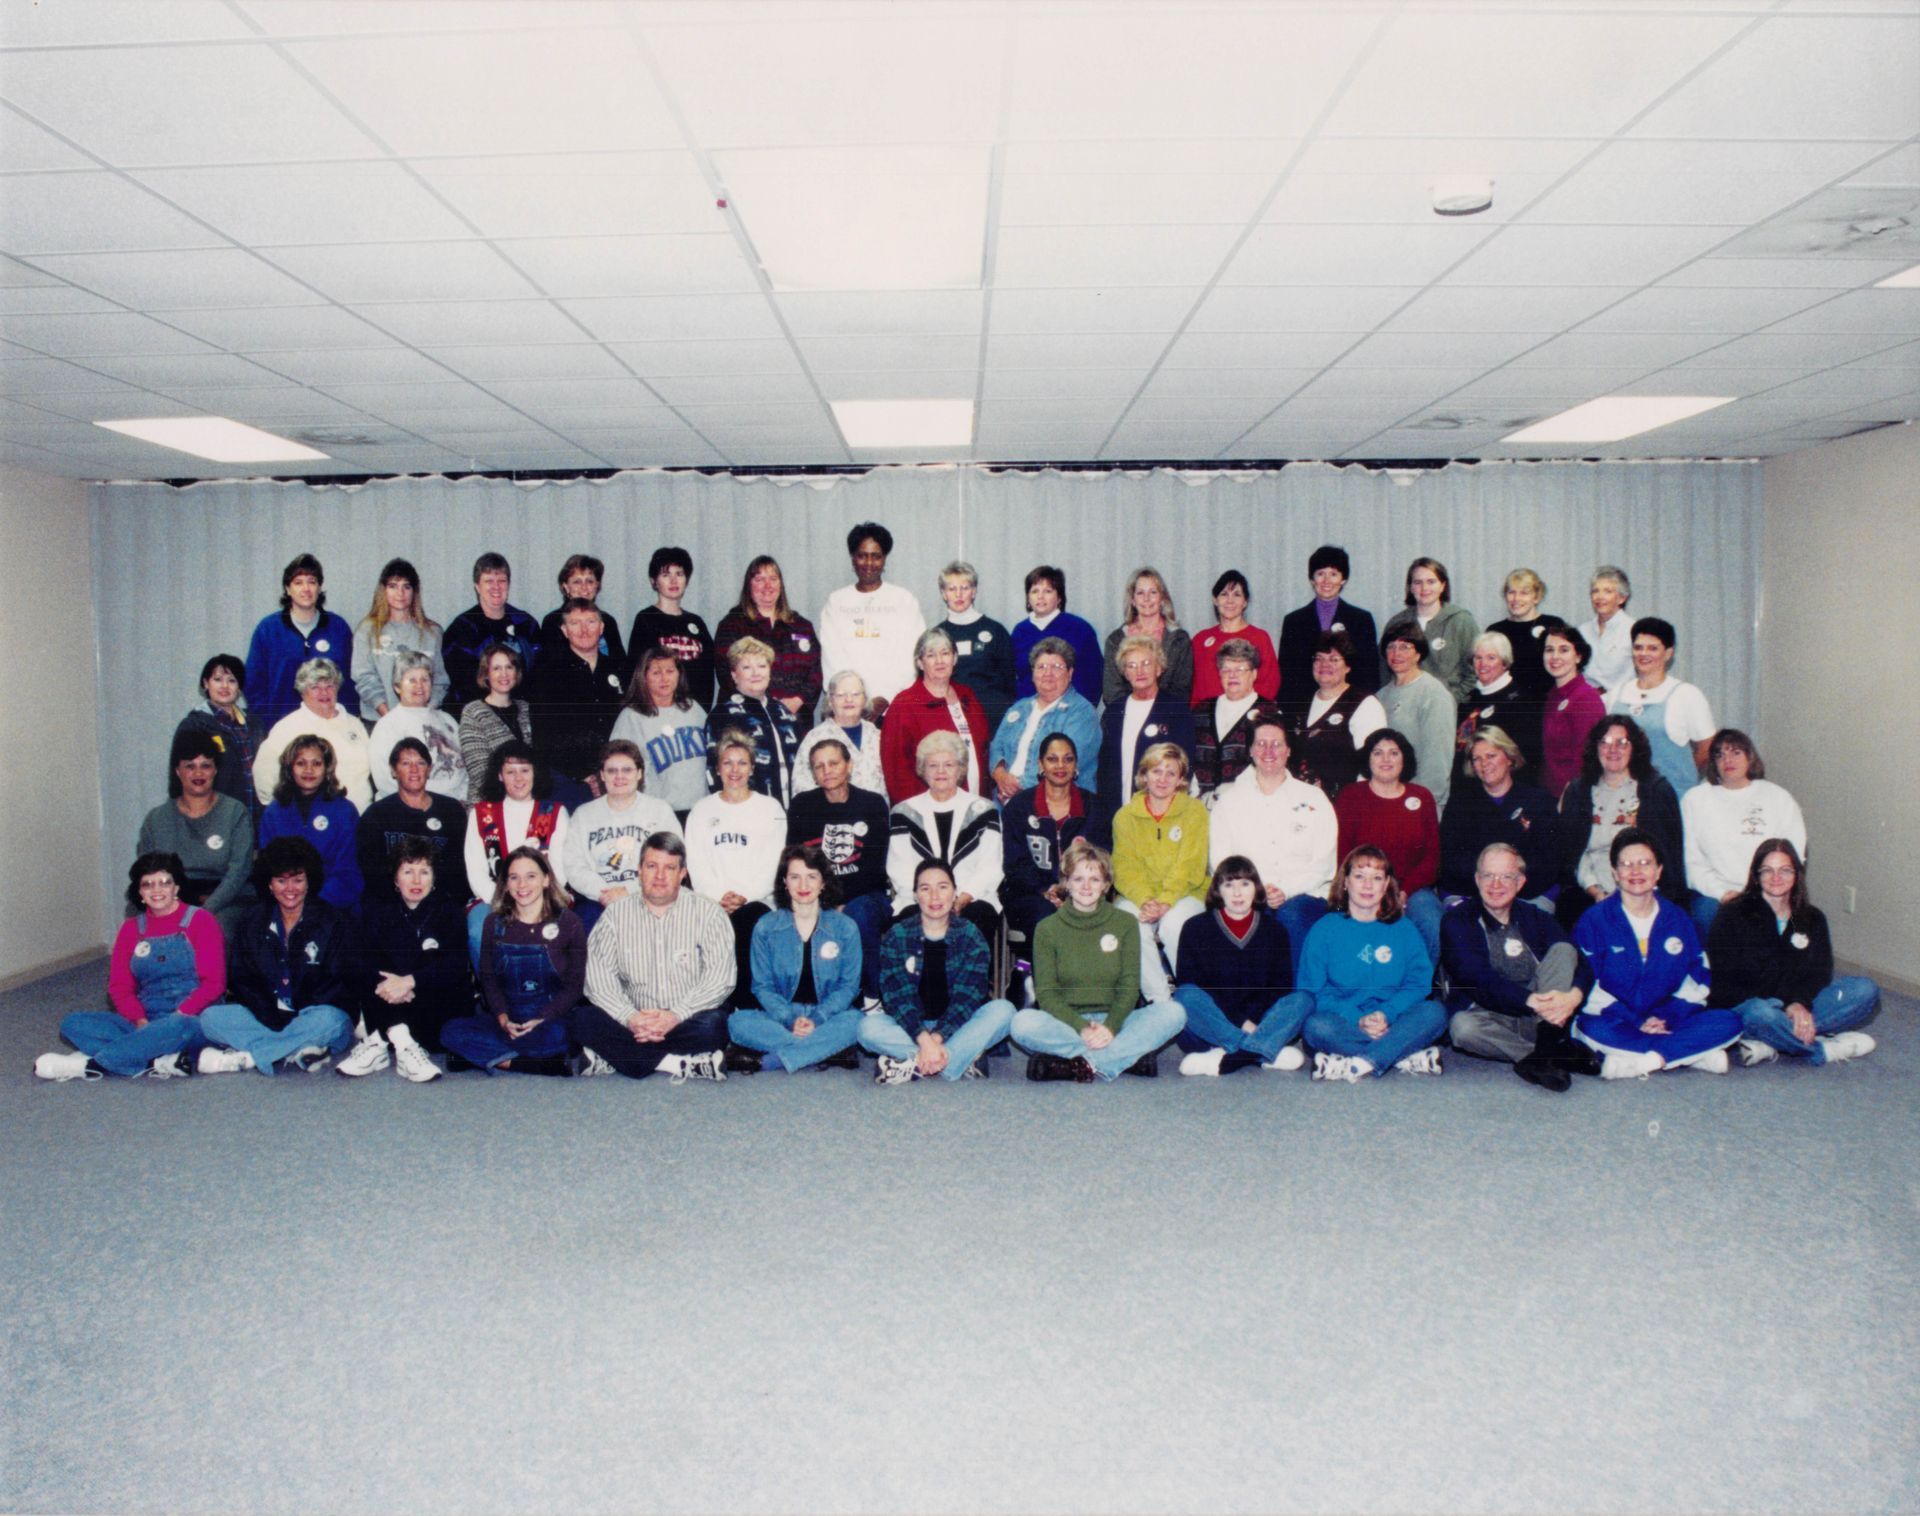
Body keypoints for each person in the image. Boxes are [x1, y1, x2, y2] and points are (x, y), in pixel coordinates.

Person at [35, 852, 224, 1082]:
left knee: (178, 1027)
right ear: (140, 892)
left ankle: (92, 1065)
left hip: (190, 1017)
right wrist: (140, 1021)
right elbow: (119, 987)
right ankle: (159, 1061)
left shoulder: (201, 920)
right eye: (148, 884)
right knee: (73, 1024)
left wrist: (178, 1014)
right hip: (144, 1019)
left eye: (165, 882)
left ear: (176, 888)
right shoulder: (131, 929)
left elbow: (214, 983)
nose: (157, 890)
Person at [1570, 828, 1741, 1079]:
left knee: (1729, 1021)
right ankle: (1686, 1055)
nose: (1636, 871)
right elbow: (1587, 986)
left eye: (1645, 863)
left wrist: (1665, 1018)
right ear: (1615, 874)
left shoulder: (1679, 920)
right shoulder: (1593, 921)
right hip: (1614, 1021)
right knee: (1588, 1029)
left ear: (1658, 871)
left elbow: (1697, 980)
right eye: (1626, 864)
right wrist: (1635, 1020)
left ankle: (1643, 1061)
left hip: (1668, 1021)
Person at [1011, 839, 1186, 1082]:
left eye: (1094, 879)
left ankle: (1076, 1064)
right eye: (1078, 878)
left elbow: (1129, 987)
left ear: (1105, 885)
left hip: (1118, 1021)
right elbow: (1048, 994)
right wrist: (1082, 1027)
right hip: (1066, 1024)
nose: (1086, 886)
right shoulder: (1047, 929)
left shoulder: (1125, 923)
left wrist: (1111, 1027)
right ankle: (1124, 1058)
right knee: (1021, 1023)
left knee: (1174, 1012)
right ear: (1066, 883)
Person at [569, 831, 733, 1083]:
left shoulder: (709, 913)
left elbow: (720, 979)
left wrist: (675, 1015)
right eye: (652, 866)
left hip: (687, 1017)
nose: (659, 876)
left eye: (669, 868)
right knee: (583, 1019)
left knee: (714, 1025)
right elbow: (598, 978)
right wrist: (629, 1017)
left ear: (682, 874)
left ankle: (618, 1058)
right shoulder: (615, 915)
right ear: (639, 870)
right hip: (632, 1017)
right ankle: (678, 1063)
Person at [1441, 842, 1599, 1093]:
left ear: (1520, 882)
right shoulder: (1458, 920)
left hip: (1537, 1019)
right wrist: (1532, 1000)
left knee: (1563, 949)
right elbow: (1475, 978)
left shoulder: (1535, 916)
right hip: (1490, 1017)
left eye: (1506, 877)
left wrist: (1572, 997)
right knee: (1462, 1028)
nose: (1496, 885)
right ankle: (1548, 1054)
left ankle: (1545, 1048)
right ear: (1477, 879)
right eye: (1488, 876)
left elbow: (1581, 962)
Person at [1708, 840, 1879, 1070]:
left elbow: (1819, 975)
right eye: (1767, 870)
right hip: (1749, 1006)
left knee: (1864, 990)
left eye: (1785, 870)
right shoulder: (1733, 913)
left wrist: (1799, 1003)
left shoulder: (1813, 918)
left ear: (1797, 874)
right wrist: (1788, 1005)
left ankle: (1772, 1043)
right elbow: (1726, 979)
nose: (1776, 877)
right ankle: (1821, 1049)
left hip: (1795, 1006)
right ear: (1756, 876)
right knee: (1761, 1013)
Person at [196, 836, 359, 1077]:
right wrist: (271, 1016)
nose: (290, 889)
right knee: (211, 1018)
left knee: (331, 1022)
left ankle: (252, 1056)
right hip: (267, 1017)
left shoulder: (333, 921)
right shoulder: (252, 921)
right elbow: (242, 981)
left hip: (315, 1014)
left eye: (298, 880)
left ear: (309, 881)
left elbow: (340, 984)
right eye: (281, 881)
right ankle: (293, 1048)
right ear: (269, 884)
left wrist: (297, 1016)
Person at [1298, 845, 1448, 1082]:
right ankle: (1400, 1055)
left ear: (1387, 884)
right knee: (1316, 1027)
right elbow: (1312, 990)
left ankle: (1358, 1062)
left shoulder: (1404, 928)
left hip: (1394, 1018)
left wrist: (1387, 1014)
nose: (1368, 885)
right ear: (1345, 882)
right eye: (1359, 876)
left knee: (1435, 1012)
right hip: (1346, 1022)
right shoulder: (1324, 929)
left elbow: (1418, 985)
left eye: (1376, 878)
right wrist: (1356, 1018)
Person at [862, 858, 1016, 1083]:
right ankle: (955, 1060)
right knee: (867, 1027)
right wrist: (924, 1039)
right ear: (915, 895)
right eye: (925, 889)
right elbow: (897, 999)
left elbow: (967, 1000)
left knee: (1005, 1011)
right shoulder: (898, 935)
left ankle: (915, 1064)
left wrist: (938, 1037)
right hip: (911, 1028)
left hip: (957, 1027)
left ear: (955, 892)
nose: (935, 897)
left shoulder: (970, 936)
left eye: (943, 887)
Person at [441, 846, 586, 1076]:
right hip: (508, 1018)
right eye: (514, 877)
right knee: (450, 1031)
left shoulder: (570, 922)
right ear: (505, 884)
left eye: (531, 876)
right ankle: (530, 1064)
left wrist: (543, 1017)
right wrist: (502, 1018)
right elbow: (488, 979)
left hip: (550, 1017)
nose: (522, 885)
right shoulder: (493, 923)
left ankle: (479, 1058)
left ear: (546, 880)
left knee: (566, 1034)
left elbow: (575, 985)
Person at [1205, 715, 1337, 969]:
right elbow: (1220, 861)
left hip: (1305, 895)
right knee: (1250, 918)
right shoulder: (1230, 801)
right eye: (1261, 744)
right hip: (1246, 895)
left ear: (1288, 751)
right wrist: (1257, 889)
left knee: (1291, 915)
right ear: (1251, 751)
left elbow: (1325, 863)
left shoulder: (1314, 798)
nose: (1269, 751)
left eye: (1276, 744)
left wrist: (1286, 889)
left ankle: (1298, 998)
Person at [727, 845, 865, 1074]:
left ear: (823, 883)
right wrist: (789, 1019)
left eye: (812, 877)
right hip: (780, 1016)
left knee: (857, 1022)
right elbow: (762, 987)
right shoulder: (766, 927)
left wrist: (818, 1018)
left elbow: (849, 987)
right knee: (737, 1022)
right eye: (795, 877)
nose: (803, 886)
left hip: (828, 1014)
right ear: (784, 882)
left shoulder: (845, 927)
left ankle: (771, 1061)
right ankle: (826, 1051)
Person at [341, 837, 469, 1083]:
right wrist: (390, 985)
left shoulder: (449, 911)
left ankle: (380, 1041)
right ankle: (403, 1043)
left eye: (424, 871)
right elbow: (356, 963)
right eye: (408, 871)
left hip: (432, 1001)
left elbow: (455, 966)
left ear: (435, 878)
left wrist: (410, 981)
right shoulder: (377, 911)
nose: (416, 880)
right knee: (370, 978)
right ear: (395, 878)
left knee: (445, 1000)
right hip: (389, 998)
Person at [1171, 855, 1308, 1077]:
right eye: (1229, 885)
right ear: (1217, 890)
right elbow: (1194, 985)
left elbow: (1280, 990)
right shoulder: (1195, 928)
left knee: (1303, 1000)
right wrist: (1243, 1025)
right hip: (1214, 1025)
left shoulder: (1275, 931)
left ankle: (1229, 1056)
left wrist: (1256, 1023)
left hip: (1261, 1022)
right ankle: (1261, 1051)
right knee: (1185, 995)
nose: (1237, 893)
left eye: (1245, 884)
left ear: (1256, 889)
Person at [785, 737, 892, 1004]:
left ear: (849, 765)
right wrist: (828, 901)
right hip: (817, 895)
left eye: (833, 763)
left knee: (859, 914)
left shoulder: (873, 804)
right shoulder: (802, 806)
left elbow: (874, 868)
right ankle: (813, 1001)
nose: (827, 771)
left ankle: (871, 997)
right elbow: (795, 861)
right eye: (819, 766)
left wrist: (839, 902)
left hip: (867, 895)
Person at [685, 729, 787, 1008]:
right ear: (717, 768)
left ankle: (746, 1007)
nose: (735, 770)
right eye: (727, 762)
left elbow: (773, 862)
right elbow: (696, 862)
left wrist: (742, 896)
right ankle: (714, 1006)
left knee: (749, 920)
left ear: (752, 767)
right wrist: (719, 897)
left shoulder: (770, 808)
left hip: (757, 900)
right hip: (711, 900)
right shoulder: (701, 810)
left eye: (742, 762)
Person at [1555, 716, 1685, 931]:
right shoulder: (1579, 792)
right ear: (1595, 748)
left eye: (1621, 742)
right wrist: (1597, 892)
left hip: (1645, 893)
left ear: (1634, 747)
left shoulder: (1656, 791)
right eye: (1604, 742)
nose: (1612, 749)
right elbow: (1573, 855)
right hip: (1590, 893)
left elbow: (1668, 861)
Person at [887, 731, 1004, 952]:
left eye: (949, 765)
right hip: (917, 900)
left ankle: (968, 985)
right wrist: (931, 899)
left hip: (972, 898)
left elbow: (990, 866)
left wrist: (960, 898)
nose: (941, 771)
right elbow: (899, 868)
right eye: (933, 765)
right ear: (923, 769)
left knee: (978, 919)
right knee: (909, 923)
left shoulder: (984, 810)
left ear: (960, 769)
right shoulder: (903, 812)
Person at [1683, 730, 1808, 936]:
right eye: (1720, 755)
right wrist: (1723, 893)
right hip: (1716, 894)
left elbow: (1793, 855)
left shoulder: (1777, 797)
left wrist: (1763, 892)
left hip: (1769, 889)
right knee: (1705, 917)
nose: (1727, 760)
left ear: (1750, 757)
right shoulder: (1695, 800)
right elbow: (1692, 862)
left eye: (1735, 753)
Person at [1111, 742, 1208, 1003]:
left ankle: (1197, 1001)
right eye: (1156, 771)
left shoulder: (1195, 811)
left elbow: (1191, 865)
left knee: (1175, 925)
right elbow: (1124, 867)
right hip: (1140, 897)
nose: (1162, 779)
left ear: (1180, 780)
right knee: (1128, 923)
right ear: (1144, 775)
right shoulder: (1125, 816)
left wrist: (1165, 901)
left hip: (1187, 892)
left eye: (1171, 773)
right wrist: (1145, 900)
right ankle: (1161, 1003)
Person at [1334, 729, 1442, 963]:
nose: (1386, 759)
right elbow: (1344, 855)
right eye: (1378, 753)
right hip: (1363, 885)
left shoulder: (1422, 797)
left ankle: (1418, 987)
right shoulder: (1350, 796)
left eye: (1394, 753)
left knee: (1432, 921)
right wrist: (1369, 889)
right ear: (1368, 759)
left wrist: (1404, 892)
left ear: (1405, 759)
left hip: (1412, 889)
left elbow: (1431, 858)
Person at [139, 729, 254, 942]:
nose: (198, 774)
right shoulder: (156, 819)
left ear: (215, 770)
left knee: (213, 928)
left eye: (205, 766)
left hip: (223, 900)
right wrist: (172, 906)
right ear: (177, 771)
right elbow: (145, 872)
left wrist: (204, 910)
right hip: (170, 897)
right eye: (190, 766)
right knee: (136, 925)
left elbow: (239, 872)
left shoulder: (235, 813)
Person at [462, 741, 570, 966]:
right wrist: (507, 904)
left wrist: (533, 902)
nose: (518, 778)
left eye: (524, 770)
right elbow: (476, 872)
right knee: (478, 931)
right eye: (510, 772)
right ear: (500, 776)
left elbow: (560, 871)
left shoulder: (555, 813)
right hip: (494, 898)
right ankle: (492, 997)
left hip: (544, 897)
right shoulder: (481, 814)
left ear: (534, 772)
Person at [559, 739, 682, 934]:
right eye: (612, 771)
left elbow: (672, 861)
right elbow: (573, 866)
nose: (619, 777)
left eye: (627, 770)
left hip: (648, 895)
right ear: (602, 775)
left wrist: (629, 890)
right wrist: (604, 892)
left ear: (640, 773)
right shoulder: (583, 814)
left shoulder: (659, 811)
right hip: (598, 900)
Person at [1437, 727, 1561, 902]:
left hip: (1527, 893)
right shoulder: (1460, 804)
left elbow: (1548, 861)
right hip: (1472, 894)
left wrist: (1508, 888)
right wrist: (1491, 890)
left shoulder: (1539, 801)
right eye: (1477, 759)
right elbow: (1451, 862)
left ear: (1509, 758)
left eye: (1491, 756)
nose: (1484, 763)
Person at [1093, 635, 1194, 842]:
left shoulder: (1177, 710)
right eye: (1132, 665)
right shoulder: (1113, 712)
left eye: (1146, 663)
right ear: (1124, 673)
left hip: (1162, 815)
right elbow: (1104, 769)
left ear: (1159, 668)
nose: (1139, 671)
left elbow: (1185, 764)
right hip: (1118, 812)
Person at [817, 522, 926, 716]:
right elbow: (832, 658)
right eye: (862, 556)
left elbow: (912, 656)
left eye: (876, 556)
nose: (869, 563)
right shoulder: (836, 602)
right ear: (852, 558)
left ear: (884, 559)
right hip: (847, 708)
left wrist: (885, 698)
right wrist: (854, 700)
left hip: (896, 707)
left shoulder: (904, 600)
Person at [526, 597, 631, 790]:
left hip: (617, 777)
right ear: (564, 631)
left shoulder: (619, 670)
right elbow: (543, 736)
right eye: (575, 623)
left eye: (591, 622)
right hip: (569, 779)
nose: (584, 630)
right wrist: (582, 775)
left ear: (601, 628)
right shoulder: (547, 673)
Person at [245, 553, 358, 729]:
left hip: (331, 726)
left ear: (319, 587)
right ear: (288, 589)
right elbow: (253, 684)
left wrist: (345, 721)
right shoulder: (268, 630)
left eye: (312, 581)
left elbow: (351, 681)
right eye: (298, 582)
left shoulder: (338, 628)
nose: (306, 588)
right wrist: (269, 722)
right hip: (283, 727)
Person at [1000, 732, 1091, 952]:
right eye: (1052, 759)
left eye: (1068, 759)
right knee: (1046, 917)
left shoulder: (1094, 808)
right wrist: (1046, 889)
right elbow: (1014, 863)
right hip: (1028, 895)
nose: (1061, 765)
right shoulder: (1019, 807)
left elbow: (1101, 857)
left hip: (1083, 892)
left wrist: (1068, 891)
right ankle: (1039, 980)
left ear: (1076, 765)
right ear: (1040, 764)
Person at [1605, 616, 1714, 797]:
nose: (1643, 653)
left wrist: (1680, 775)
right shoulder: (1616, 694)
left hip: (1672, 801)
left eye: (1652, 648)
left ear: (1669, 653)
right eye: (1638, 647)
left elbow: (1707, 749)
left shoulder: (1687, 695)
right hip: (1622, 799)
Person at [356, 736, 466, 908]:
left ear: (429, 769)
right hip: (389, 907)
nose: (414, 770)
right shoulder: (376, 815)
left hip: (440, 906)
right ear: (393, 770)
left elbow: (459, 871)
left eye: (421, 763)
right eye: (406, 763)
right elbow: (371, 873)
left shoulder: (452, 811)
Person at [257, 734, 363, 912]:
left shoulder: (345, 811)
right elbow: (267, 869)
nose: (309, 770)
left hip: (333, 905)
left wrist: (315, 903)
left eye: (316, 763)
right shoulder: (273, 812)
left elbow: (349, 872)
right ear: (289, 768)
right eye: (301, 763)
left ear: (327, 768)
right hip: (285, 903)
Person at [881, 631, 988, 802]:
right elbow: (896, 770)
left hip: (974, 801)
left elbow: (982, 749)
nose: (939, 661)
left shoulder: (967, 695)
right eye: (931, 655)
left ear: (954, 658)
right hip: (930, 807)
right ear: (920, 663)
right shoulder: (904, 705)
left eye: (945, 653)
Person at [988, 637, 1100, 800]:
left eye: (1056, 667)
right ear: (1033, 674)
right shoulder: (1019, 708)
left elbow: (1066, 764)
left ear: (1070, 673)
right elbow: (996, 747)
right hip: (1005, 799)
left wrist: (1018, 791)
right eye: (1041, 667)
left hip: (1058, 804)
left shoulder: (1082, 712)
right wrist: (1001, 777)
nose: (1048, 674)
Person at [253, 657, 372, 810]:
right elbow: (264, 777)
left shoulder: (354, 724)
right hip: (314, 822)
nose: (324, 692)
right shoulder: (287, 727)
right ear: (302, 692)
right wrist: (286, 814)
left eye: (330, 685)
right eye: (315, 687)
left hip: (361, 816)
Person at [712, 554, 821, 718]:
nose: (767, 585)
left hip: (795, 718)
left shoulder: (802, 626)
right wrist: (765, 705)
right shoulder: (731, 625)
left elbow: (816, 672)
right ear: (748, 585)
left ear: (781, 584)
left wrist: (798, 700)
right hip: (747, 719)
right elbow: (726, 673)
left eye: (773, 578)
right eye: (759, 579)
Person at [1276, 546, 1379, 717]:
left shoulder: (1361, 619)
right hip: (1304, 708)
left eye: (1333, 574)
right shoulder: (1293, 621)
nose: (1326, 580)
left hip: (1349, 708)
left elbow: (1369, 673)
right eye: (1320, 573)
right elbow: (1287, 674)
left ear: (1343, 579)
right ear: (1311, 579)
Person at [612, 647, 710, 820]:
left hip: (701, 809)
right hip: (658, 812)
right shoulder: (632, 716)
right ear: (644, 677)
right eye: (656, 673)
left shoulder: (693, 708)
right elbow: (618, 768)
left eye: (670, 671)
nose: (664, 678)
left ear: (679, 674)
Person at [441, 552, 540, 717]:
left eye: (501, 581)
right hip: (476, 714)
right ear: (477, 586)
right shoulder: (461, 629)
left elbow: (537, 675)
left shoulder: (526, 624)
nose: (496, 587)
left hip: (520, 712)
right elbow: (463, 683)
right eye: (489, 581)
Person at [708, 637, 801, 808]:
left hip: (791, 807)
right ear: (734, 675)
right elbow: (714, 770)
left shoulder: (783, 712)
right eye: (747, 667)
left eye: (761, 666)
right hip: (747, 809)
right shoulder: (722, 715)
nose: (756, 673)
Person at [1293, 631, 1387, 799]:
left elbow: (1373, 764)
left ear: (1348, 666)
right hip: (1300, 803)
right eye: (1319, 658)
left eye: (1334, 659)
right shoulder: (1302, 703)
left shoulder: (1365, 705)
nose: (1324, 664)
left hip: (1345, 804)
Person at [352, 556, 448, 717]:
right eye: (393, 586)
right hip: (379, 720)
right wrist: (389, 717)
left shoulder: (433, 632)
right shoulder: (367, 631)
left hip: (423, 719)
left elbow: (440, 681)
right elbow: (364, 679)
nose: (400, 593)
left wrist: (427, 712)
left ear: (414, 591)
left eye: (406, 587)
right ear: (383, 590)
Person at [367, 650, 468, 801]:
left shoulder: (447, 719)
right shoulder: (387, 725)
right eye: (412, 680)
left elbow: (467, 768)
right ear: (397, 687)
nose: (419, 686)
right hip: (416, 809)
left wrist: (465, 799)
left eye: (425, 679)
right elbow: (385, 782)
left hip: (459, 805)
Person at [1378, 556, 1478, 709]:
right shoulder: (1397, 623)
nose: (1424, 589)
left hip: (1451, 708)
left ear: (1442, 585)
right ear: (1410, 587)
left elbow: (1474, 671)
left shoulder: (1461, 621)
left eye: (1431, 582)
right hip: (1404, 708)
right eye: (1418, 582)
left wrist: (1451, 700)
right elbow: (1384, 672)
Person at [1375, 625, 1454, 813]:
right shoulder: (1380, 696)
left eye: (1405, 647)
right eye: (1391, 647)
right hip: (1385, 800)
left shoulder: (1433, 694)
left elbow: (1437, 761)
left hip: (1418, 804)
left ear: (1418, 654)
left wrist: (1416, 804)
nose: (1396, 653)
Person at [173, 652, 260, 819]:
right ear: (206, 683)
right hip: (215, 817)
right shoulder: (194, 726)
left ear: (240, 688)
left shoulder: (255, 724)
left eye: (232, 681)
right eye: (217, 679)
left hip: (254, 817)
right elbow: (179, 779)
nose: (225, 686)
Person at [933, 560, 1016, 734]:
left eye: (965, 588)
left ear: (974, 591)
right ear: (943, 593)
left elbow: (1009, 681)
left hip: (992, 719)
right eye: (952, 589)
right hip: (950, 718)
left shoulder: (995, 630)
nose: (958, 594)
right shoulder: (936, 635)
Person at [627, 546, 715, 710]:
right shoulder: (646, 619)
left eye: (679, 574)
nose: (673, 581)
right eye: (666, 575)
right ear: (654, 581)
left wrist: (702, 711)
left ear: (687, 580)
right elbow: (636, 670)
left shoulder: (697, 622)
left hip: (694, 712)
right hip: (659, 711)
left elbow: (708, 675)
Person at [1010, 565, 1103, 705]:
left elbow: (1094, 677)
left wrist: (1079, 711)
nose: (1040, 597)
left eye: (1048, 591)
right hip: (1029, 711)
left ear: (1059, 597)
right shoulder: (1020, 631)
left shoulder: (1080, 629)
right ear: (1028, 598)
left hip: (1070, 712)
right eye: (1035, 591)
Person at [1101, 567, 1193, 707]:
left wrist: (1155, 715)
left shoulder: (1179, 639)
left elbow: (1181, 690)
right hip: (1127, 718)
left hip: (1167, 717)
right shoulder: (1116, 640)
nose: (1147, 599)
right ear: (1132, 600)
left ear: (1162, 598)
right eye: (1140, 593)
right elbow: (1112, 692)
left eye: (1153, 592)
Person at [1191, 639, 1273, 797]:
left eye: (1241, 669)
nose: (1232, 675)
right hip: (1201, 804)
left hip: (1248, 803)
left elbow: (1272, 765)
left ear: (1254, 674)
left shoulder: (1269, 713)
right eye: (1226, 669)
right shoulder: (1200, 711)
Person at [1455, 631, 1541, 779]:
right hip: (1467, 786)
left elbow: (1526, 758)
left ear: (1505, 662)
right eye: (1478, 658)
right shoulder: (1469, 699)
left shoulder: (1521, 702)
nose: (1483, 664)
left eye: (1491, 658)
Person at [456, 641, 533, 803]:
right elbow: (479, 771)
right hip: (488, 803)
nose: (503, 674)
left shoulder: (527, 709)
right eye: (496, 668)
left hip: (528, 800)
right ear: (486, 675)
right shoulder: (473, 712)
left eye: (509, 667)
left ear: (516, 672)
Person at [1189, 569, 1279, 708]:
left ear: (1245, 602)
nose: (1230, 600)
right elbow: (1192, 686)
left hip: (1247, 720)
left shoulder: (1260, 638)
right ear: (1215, 600)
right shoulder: (1200, 639)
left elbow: (1270, 683)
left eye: (1237, 594)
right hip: (1206, 718)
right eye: (1224, 594)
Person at [1539, 624, 1605, 801]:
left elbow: (1586, 759)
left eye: (1564, 650)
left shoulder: (1586, 699)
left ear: (1578, 656)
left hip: (1573, 798)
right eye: (1549, 650)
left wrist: (1568, 798)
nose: (1555, 657)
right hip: (1549, 794)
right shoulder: (1552, 696)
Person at [797, 669, 887, 798]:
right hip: (833, 816)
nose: (849, 699)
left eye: (856, 694)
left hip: (877, 814)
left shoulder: (878, 736)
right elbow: (801, 788)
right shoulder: (815, 738)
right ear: (830, 701)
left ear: (865, 700)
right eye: (840, 695)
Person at [538, 553, 627, 665]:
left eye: (590, 581)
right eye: (577, 582)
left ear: (597, 586)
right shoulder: (552, 621)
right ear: (566, 586)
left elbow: (621, 664)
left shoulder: (608, 621)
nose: (584, 588)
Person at [1483, 568, 1555, 699]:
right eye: (1511, 592)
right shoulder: (1495, 630)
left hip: (1546, 703)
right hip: (1505, 704)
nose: (1516, 598)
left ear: (1536, 597)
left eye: (1524, 593)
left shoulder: (1553, 625)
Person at [1577, 565, 1635, 694]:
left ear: (1622, 598)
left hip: (1619, 705)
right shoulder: (1582, 631)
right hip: (1585, 703)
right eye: (1595, 591)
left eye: (1607, 591)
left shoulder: (1633, 630)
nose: (1600, 597)